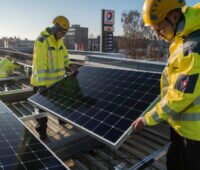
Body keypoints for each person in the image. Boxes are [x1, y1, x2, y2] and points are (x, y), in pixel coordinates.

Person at [133, 0, 200, 169]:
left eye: (160, 28)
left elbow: (179, 95)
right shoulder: (181, 39)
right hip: (181, 130)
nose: (158, 35)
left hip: (195, 138)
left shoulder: (194, 46)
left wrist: (148, 119)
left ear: (175, 16)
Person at [31, 16, 78, 140]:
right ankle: (42, 133)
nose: (63, 35)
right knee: (42, 113)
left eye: (65, 33)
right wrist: (41, 85)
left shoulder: (60, 41)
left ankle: (62, 121)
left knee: (61, 104)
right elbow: (39, 64)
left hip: (56, 82)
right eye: (62, 32)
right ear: (56, 27)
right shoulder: (42, 41)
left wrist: (70, 65)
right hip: (42, 84)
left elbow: (64, 57)